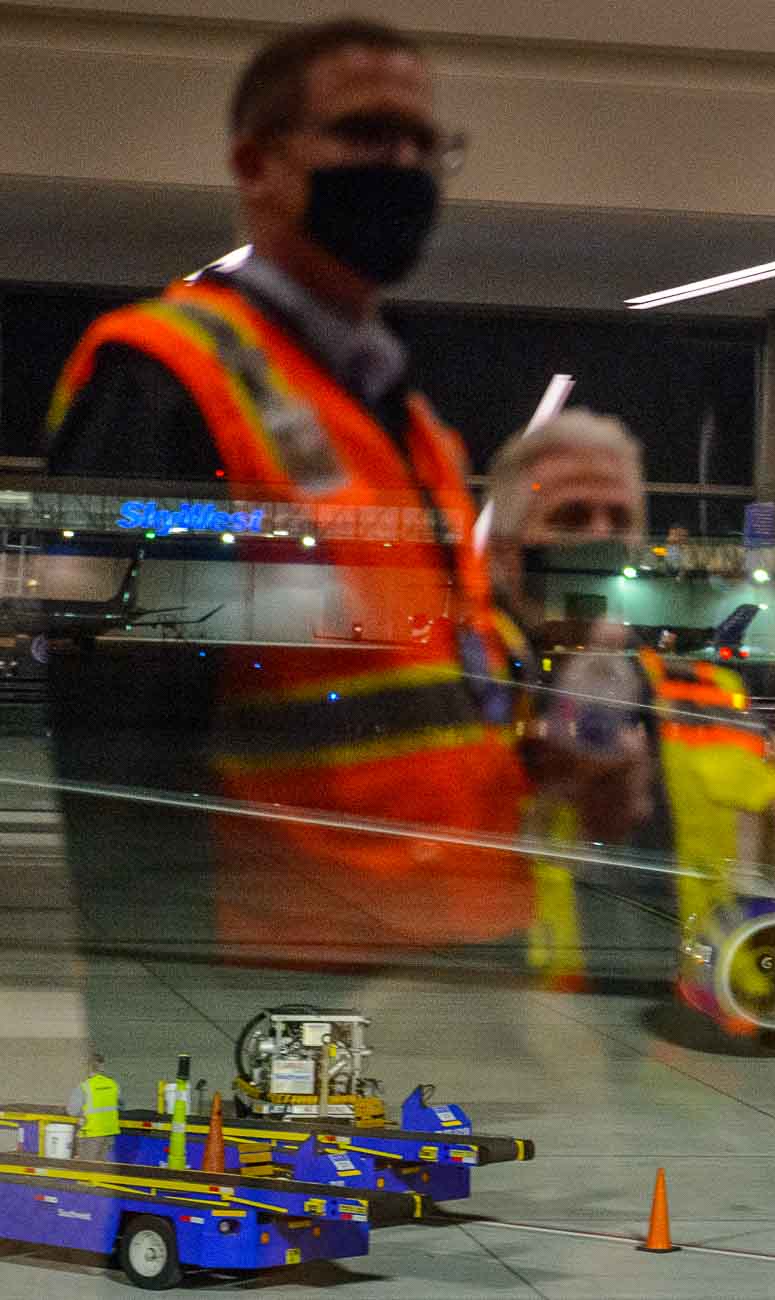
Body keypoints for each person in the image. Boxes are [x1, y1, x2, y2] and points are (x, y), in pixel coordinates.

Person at [45, 19, 529, 966]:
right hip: (276, 967)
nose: (403, 165)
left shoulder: (413, 422)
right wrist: (151, 989)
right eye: (365, 135)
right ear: (255, 163)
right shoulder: (170, 375)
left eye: (424, 144)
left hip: (458, 940)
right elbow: (118, 734)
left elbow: (435, 678)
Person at [481, 410, 775, 1010]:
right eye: (571, 515)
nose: (601, 533)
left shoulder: (719, 704)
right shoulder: (461, 703)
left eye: (619, 518)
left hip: (692, 1050)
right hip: (515, 1054)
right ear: (505, 554)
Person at [67, 1053, 121, 1161]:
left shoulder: (84, 1087)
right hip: (109, 1132)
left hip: (91, 1133)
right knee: (102, 1168)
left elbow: (72, 1111)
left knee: (87, 1169)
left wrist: (82, 1114)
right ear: (102, 1067)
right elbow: (119, 1104)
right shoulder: (113, 1084)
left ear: (87, 1068)